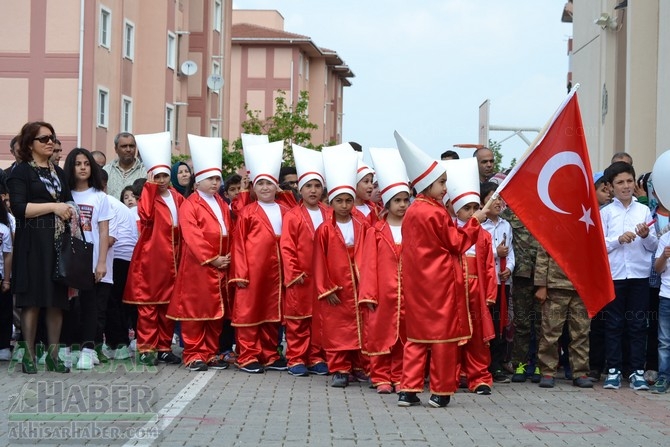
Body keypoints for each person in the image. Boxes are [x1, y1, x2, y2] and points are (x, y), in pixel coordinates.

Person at [394, 131, 489, 408]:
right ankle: (440, 391)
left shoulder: (413, 211)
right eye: (442, 183)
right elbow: (457, 243)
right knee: (443, 340)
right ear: (427, 184)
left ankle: (408, 390)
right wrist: (475, 222)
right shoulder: (436, 213)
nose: (446, 187)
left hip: (417, 285)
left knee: (415, 338)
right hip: (441, 286)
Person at [8, 121, 72, 374]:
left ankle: (54, 356)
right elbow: (19, 208)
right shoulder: (21, 172)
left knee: (56, 301)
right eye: (43, 138)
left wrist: (67, 208)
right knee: (32, 300)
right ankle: (29, 355)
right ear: (29, 144)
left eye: (52, 138)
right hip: (32, 244)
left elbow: (67, 199)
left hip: (57, 243)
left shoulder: (58, 172)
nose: (50, 143)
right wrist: (54, 207)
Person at [168, 135, 233, 372]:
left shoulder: (222, 203)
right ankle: (193, 353)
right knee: (196, 313)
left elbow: (229, 230)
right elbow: (192, 235)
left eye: (217, 178)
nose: (215, 183)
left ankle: (209, 352)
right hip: (199, 267)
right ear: (198, 182)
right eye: (210, 179)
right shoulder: (191, 204)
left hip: (220, 266)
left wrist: (226, 258)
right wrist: (212, 258)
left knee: (216, 313)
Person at [123, 132, 183, 366]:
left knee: (168, 306)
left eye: (164, 175)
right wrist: (148, 187)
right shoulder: (148, 196)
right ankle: (147, 348)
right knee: (149, 306)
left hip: (173, 260)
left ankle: (164, 347)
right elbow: (145, 216)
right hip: (151, 260)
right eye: (156, 176)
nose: (161, 179)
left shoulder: (177, 197)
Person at [229, 140, 288, 374]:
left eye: (269, 184)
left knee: (272, 312)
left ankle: (269, 353)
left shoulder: (285, 210)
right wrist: (240, 272)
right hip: (253, 269)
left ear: (276, 187)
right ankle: (248, 354)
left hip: (277, 270)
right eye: (260, 183)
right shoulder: (247, 212)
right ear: (253, 186)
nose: (265, 188)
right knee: (249, 312)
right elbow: (239, 244)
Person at [313, 146, 368, 388]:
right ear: (331, 202)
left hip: (358, 282)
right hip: (336, 283)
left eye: (348, 200)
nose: (344, 205)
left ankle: (358, 365)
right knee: (338, 327)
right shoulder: (324, 229)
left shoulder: (362, 224)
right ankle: (339, 368)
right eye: (339, 201)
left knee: (361, 324)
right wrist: (326, 288)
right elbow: (318, 260)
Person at [600, 161, 657, 390]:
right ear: (611, 187)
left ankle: (636, 372)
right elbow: (599, 246)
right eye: (620, 182)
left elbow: (653, 247)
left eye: (629, 181)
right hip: (615, 276)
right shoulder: (606, 213)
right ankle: (613, 370)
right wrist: (617, 240)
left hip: (639, 276)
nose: (626, 186)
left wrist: (644, 236)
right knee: (613, 324)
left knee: (637, 325)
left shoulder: (643, 210)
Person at [444, 157, 497, 395]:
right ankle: (451, 377)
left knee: (477, 337)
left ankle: (479, 377)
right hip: (453, 291)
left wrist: (490, 294)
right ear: (456, 209)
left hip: (477, 291)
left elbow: (488, 267)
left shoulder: (484, 236)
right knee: (453, 336)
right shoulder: (450, 231)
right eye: (467, 208)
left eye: (476, 208)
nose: (473, 213)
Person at [359, 147, 410, 394]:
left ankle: (400, 375)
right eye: (397, 201)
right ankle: (380, 375)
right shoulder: (375, 231)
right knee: (380, 334)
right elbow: (367, 264)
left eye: (405, 200)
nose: (402, 205)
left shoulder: (415, 231)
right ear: (387, 204)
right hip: (382, 294)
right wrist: (368, 294)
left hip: (408, 294)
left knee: (404, 335)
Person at [280, 145, 329, 377]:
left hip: (324, 277)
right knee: (298, 320)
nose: (313, 190)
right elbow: (287, 246)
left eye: (317, 186)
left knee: (320, 320)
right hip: (301, 276)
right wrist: (293, 272)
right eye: (308, 186)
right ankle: (296, 358)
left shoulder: (329, 213)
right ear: (300, 189)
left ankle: (316, 356)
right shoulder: (292, 216)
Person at [63, 148, 112, 370]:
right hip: (67, 259)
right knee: (69, 305)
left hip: (90, 259)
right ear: (70, 167)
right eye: (77, 163)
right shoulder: (64, 195)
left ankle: (88, 349)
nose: (83, 167)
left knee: (90, 305)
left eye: (86, 163)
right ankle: (69, 347)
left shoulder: (99, 197)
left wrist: (101, 262)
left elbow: (103, 231)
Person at [535, 246, 593, 389]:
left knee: (581, 333)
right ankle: (548, 371)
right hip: (556, 285)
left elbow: (595, 254)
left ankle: (580, 372)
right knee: (550, 331)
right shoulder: (554, 225)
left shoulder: (586, 224)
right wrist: (541, 285)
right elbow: (543, 255)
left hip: (582, 285)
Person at [480, 181, 515, 383]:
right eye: (493, 197)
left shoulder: (506, 225)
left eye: (500, 198)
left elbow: (510, 253)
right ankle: (485, 364)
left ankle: (497, 364)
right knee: (487, 323)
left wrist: (509, 268)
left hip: (502, 282)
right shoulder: (478, 223)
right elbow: (475, 251)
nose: (497, 202)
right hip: (486, 283)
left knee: (501, 323)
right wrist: (495, 253)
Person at [103, 132, 147, 200]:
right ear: (116, 149)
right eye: (124, 146)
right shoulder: (107, 171)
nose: (128, 149)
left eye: (131, 146)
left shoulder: (145, 172)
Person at [652, 224, 670, 393]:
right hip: (667, 296)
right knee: (664, 341)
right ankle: (663, 376)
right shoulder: (665, 238)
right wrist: (664, 257)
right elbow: (657, 269)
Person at [0, 198, 12, 361]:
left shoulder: (4, 230)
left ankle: (3, 346)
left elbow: (8, 255)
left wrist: (7, 280)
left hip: (1, 277)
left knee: (3, 313)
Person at [351, 156, 379, 226]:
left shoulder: (375, 210)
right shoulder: (346, 211)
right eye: (366, 181)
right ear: (354, 184)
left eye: (371, 182)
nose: (371, 186)